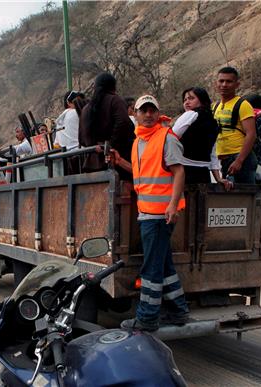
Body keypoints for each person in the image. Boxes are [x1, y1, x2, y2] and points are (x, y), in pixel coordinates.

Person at [108, 95, 190, 332]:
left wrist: (173, 206)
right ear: (135, 114)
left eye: (152, 110)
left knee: (151, 268)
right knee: (163, 265)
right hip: (147, 213)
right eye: (143, 111)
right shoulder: (139, 142)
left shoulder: (166, 137)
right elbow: (139, 172)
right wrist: (120, 161)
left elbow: (179, 173)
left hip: (160, 215)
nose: (148, 114)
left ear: (157, 112)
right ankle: (178, 310)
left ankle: (147, 318)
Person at [172, 87, 231, 187]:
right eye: (185, 100)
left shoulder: (190, 114)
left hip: (183, 170)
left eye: (191, 98)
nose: (187, 102)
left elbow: (171, 138)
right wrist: (218, 178)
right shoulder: (214, 122)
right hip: (203, 174)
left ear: (202, 100)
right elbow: (212, 154)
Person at [79, 73, 133, 178]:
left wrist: (94, 146)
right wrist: (110, 146)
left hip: (92, 165)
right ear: (113, 86)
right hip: (118, 163)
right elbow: (124, 123)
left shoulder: (85, 109)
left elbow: (81, 139)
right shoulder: (115, 101)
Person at [213, 66, 257, 184]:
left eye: (229, 81)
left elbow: (251, 134)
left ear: (237, 85)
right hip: (223, 159)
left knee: (244, 198)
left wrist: (239, 161)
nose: (224, 84)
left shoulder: (243, 105)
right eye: (221, 81)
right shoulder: (215, 106)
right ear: (216, 83)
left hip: (240, 159)